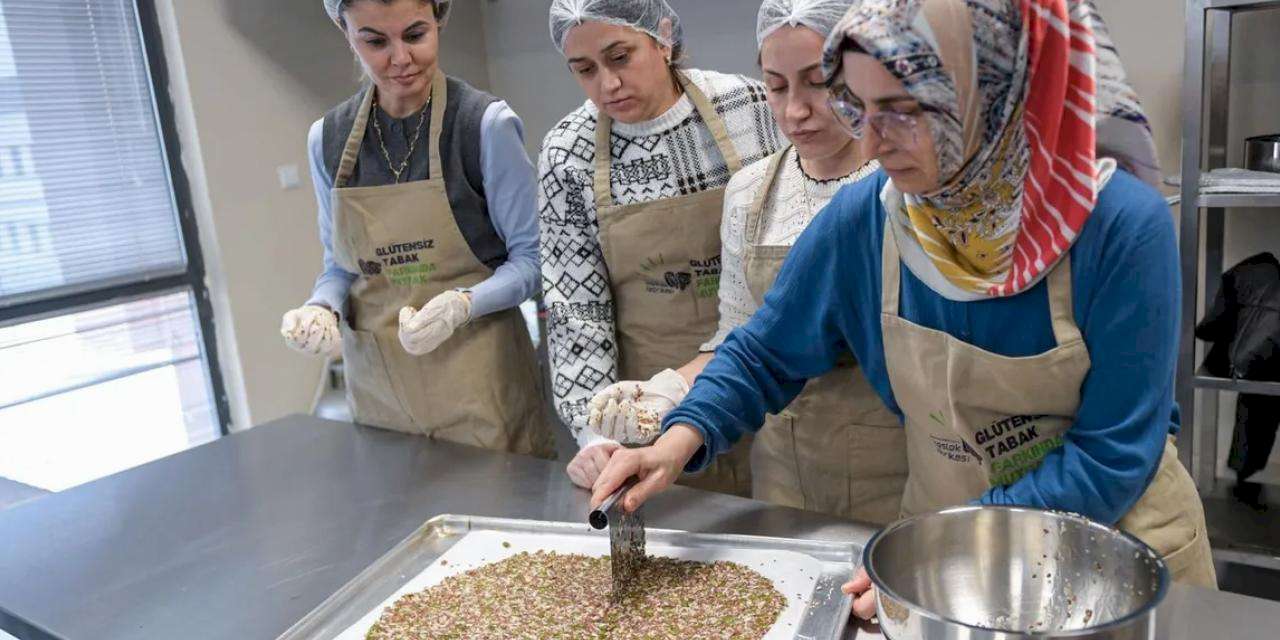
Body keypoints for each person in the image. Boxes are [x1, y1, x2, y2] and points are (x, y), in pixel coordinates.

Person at [592, 0, 1218, 617]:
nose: (869, 140)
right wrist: (677, 438)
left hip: (1111, 554)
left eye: (902, 111)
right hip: (950, 559)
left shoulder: (1120, 227)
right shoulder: (871, 218)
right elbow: (763, 351)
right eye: (858, 108)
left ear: (995, 94)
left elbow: (1113, 453)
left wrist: (944, 548)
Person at [585, 0, 907, 525]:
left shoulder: (898, 190)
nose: (795, 111)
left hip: (895, 474)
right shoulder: (752, 194)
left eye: (819, 82)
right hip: (785, 471)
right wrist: (668, 392)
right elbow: (747, 343)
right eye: (777, 86)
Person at [280, 0, 555, 458]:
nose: (401, 58)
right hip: (381, 400)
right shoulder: (327, 140)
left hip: (481, 394)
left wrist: (462, 305)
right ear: (343, 29)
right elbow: (340, 267)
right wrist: (320, 306)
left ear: (439, 17)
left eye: (415, 35)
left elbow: (533, 261)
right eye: (375, 41)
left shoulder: (482, 125)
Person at [539, 0, 783, 494]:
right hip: (650, 426)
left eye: (620, 57)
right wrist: (594, 436)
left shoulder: (752, 109)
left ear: (663, 36)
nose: (607, 84)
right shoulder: (568, 153)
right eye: (584, 70)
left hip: (773, 399)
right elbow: (575, 310)